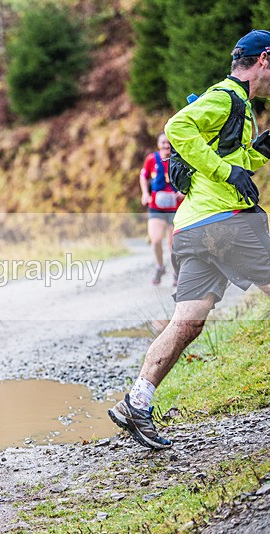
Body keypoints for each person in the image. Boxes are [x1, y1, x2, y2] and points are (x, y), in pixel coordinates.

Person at [109, 30, 270, 450]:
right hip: (227, 221)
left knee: (187, 323)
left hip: (193, 228)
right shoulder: (228, 96)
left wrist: (257, 153)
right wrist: (226, 173)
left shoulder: (241, 106)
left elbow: (231, 155)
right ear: (264, 60)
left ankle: (136, 402)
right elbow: (178, 127)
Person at [139, 132, 184, 285]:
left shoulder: (179, 159)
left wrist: (183, 192)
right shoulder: (152, 159)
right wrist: (145, 194)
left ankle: (176, 273)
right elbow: (143, 175)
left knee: (172, 244)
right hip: (156, 208)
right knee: (156, 240)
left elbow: (189, 178)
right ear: (158, 144)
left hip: (175, 209)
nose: (166, 145)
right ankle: (159, 266)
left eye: (168, 143)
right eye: (163, 142)